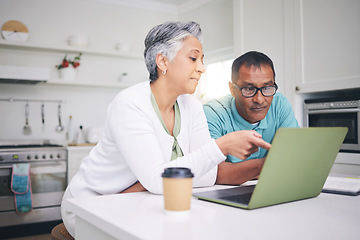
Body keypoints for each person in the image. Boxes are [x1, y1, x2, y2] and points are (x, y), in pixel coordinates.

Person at [61, 22, 271, 238]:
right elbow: (157, 180)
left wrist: (150, 183)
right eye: (193, 58)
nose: (201, 68)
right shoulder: (130, 104)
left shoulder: (192, 106)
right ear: (162, 61)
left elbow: (207, 175)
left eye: (202, 60)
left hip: (140, 201)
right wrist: (222, 146)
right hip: (91, 204)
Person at [203, 51, 299, 185]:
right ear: (232, 89)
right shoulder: (213, 113)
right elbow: (214, 173)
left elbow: (295, 157)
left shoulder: (279, 105)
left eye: (266, 88)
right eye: (249, 89)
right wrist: (267, 165)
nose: (259, 99)